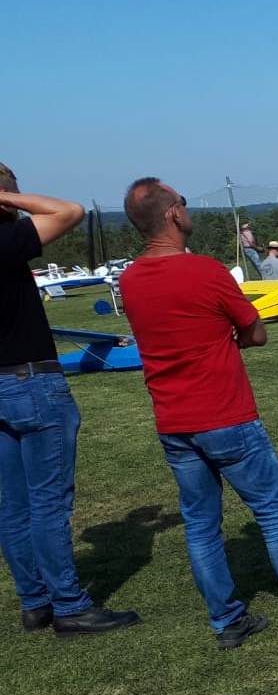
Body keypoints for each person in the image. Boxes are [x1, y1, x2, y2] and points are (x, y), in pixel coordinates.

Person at [119, 177, 278, 649]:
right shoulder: (205, 270)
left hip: (173, 423)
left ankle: (227, 621)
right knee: (275, 512)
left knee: (201, 525)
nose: (186, 209)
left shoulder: (130, 280)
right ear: (173, 214)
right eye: (183, 202)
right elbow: (256, 333)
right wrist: (221, 342)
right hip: (226, 415)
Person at [0, 163, 140, 635]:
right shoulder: (5, 239)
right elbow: (69, 211)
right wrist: (7, 198)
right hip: (30, 380)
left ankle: (34, 601)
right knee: (48, 502)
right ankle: (68, 604)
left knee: (13, 505)